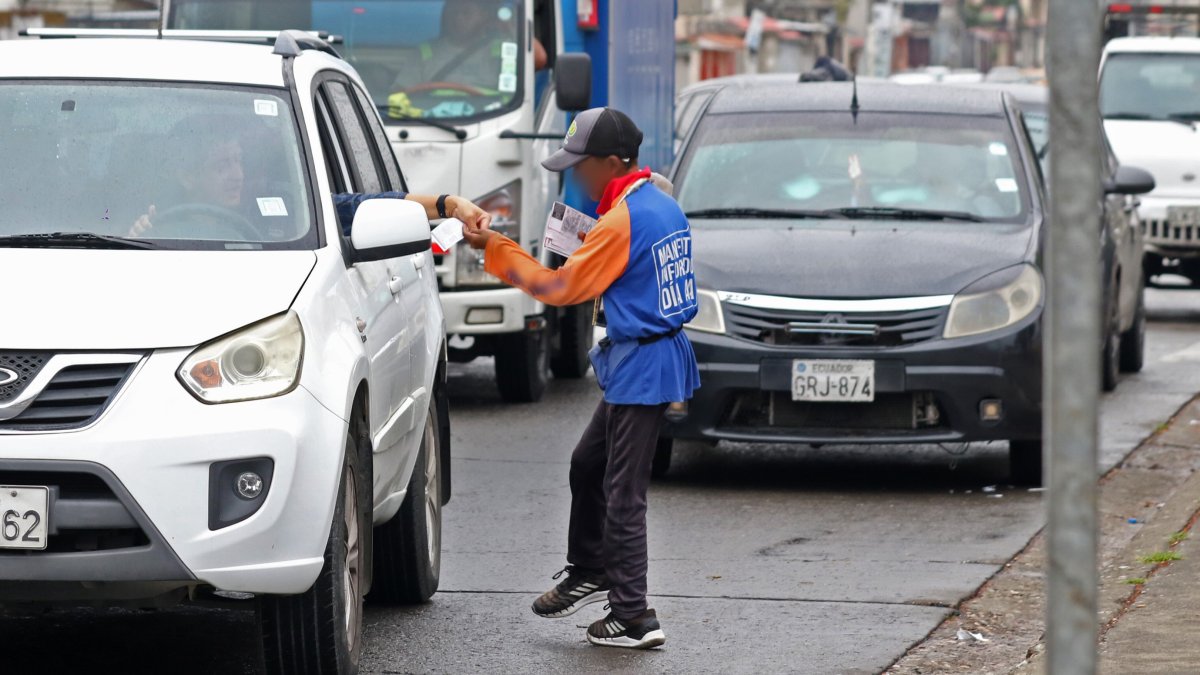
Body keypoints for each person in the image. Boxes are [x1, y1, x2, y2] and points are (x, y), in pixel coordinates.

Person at [461, 107, 700, 650]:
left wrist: (495, 249)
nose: (576, 175)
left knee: (623, 494)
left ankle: (633, 615)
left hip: (642, 363)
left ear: (613, 162)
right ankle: (592, 567)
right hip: (648, 355)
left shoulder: (622, 220)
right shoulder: (659, 203)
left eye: (582, 164)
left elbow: (559, 289)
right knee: (587, 465)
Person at [129, 119, 490, 239]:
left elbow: (358, 208)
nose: (236, 175)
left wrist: (448, 204)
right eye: (221, 166)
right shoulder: (157, 225)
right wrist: (135, 237)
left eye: (238, 162)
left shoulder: (288, 209)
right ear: (187, 176)